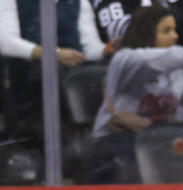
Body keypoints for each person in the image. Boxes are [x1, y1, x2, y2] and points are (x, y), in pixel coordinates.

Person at [87, 5, 183, 182]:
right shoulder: (124, 60)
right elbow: (148, 60)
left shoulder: (177, 67)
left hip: (157, 141)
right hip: (113, 143)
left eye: (174, 30)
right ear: (147, 33)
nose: (175, 36)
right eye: (166, 31)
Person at [0, 0, 106, 136]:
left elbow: (89, 48)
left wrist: (108, 49)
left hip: (74, 69)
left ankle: (101, 138)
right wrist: (54, 54)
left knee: (107, 73)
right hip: (32, 71)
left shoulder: (79, 2)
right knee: (53, 73)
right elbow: (5, 42)